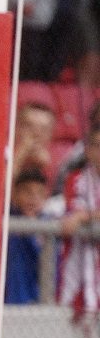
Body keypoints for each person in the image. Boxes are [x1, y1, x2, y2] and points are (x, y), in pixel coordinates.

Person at [59, 126, 100, 317]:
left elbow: (79, 216)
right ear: (88, 149)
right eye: (97, 146)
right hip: (80, 261)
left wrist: (84, 217)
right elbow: (73, 210)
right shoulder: (76, 178)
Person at [5, 168, 52, 305]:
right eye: (27, 192)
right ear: (15, 194)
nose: (33, 198)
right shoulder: (7, 218)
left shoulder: (49, 225)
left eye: (39, 193)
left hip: (37, 300)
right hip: (8, 299)